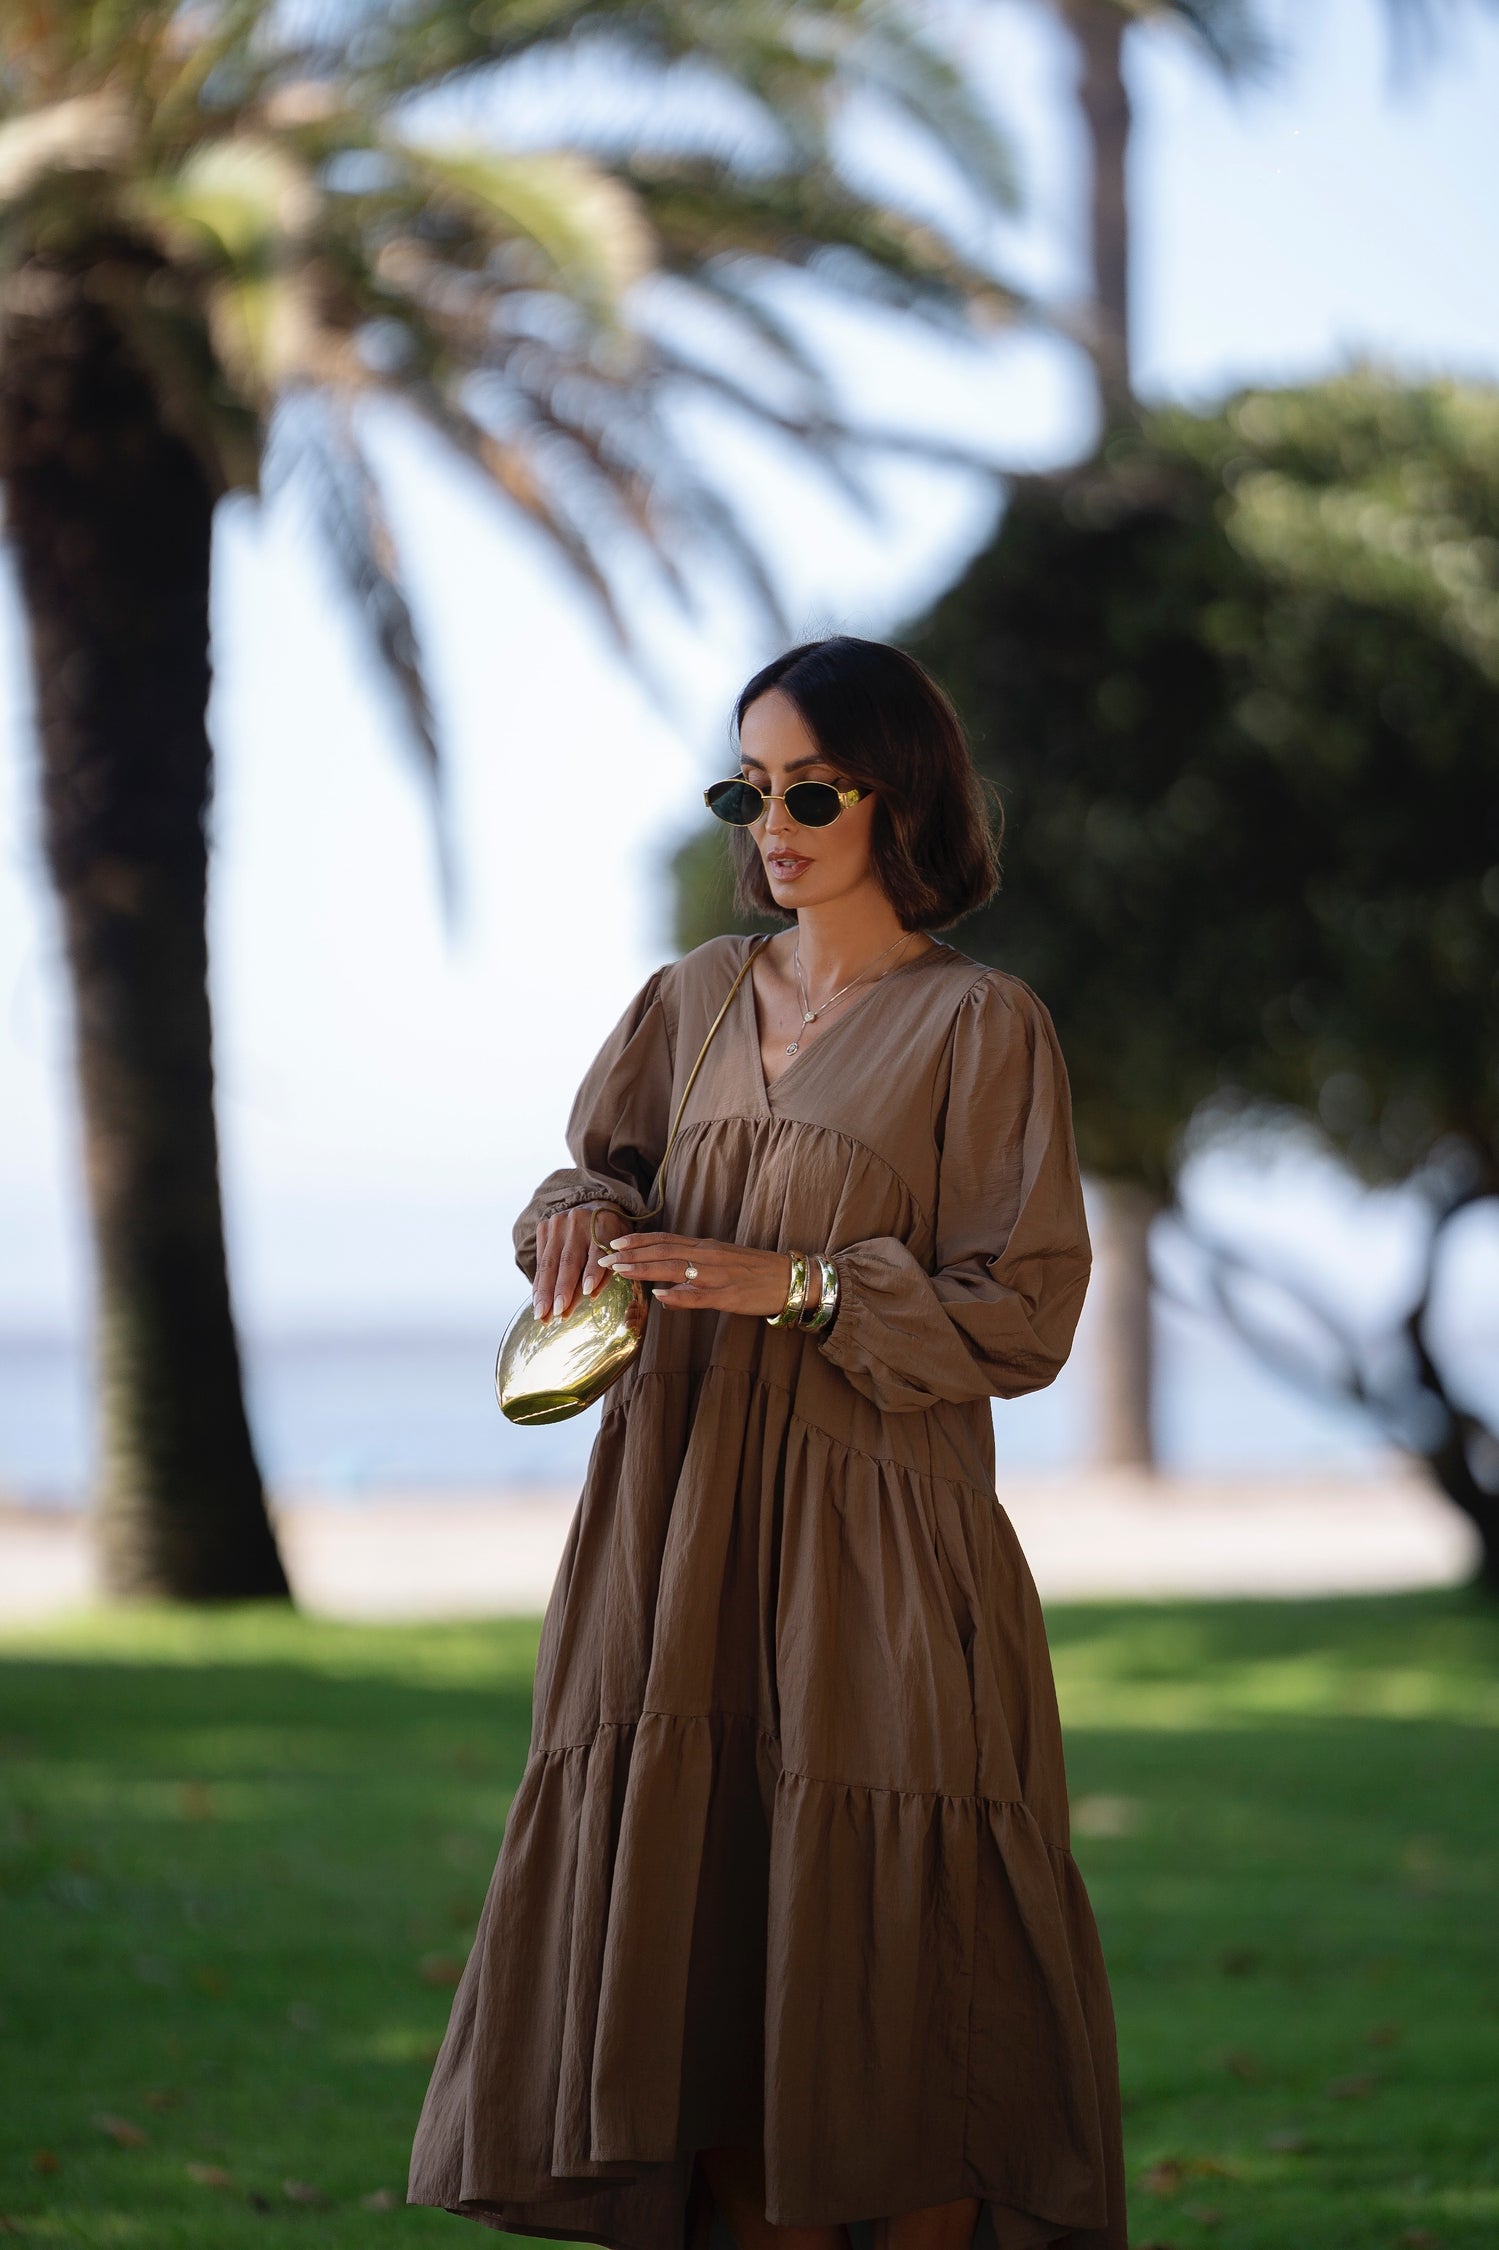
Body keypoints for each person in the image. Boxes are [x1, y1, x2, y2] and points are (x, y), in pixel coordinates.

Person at [407, 636, 1127, 2250]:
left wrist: (798, 1284)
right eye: (748, 790)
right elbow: (600, 1169)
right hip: (673, 1530)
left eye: (812, 789)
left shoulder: (982, 1025)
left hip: (877, 1544)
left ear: (901, 796)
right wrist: (579, 1214)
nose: (773, 825)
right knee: (715, 1981)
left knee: (899, 1986)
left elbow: (1022, 1314)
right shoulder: (694, 997)